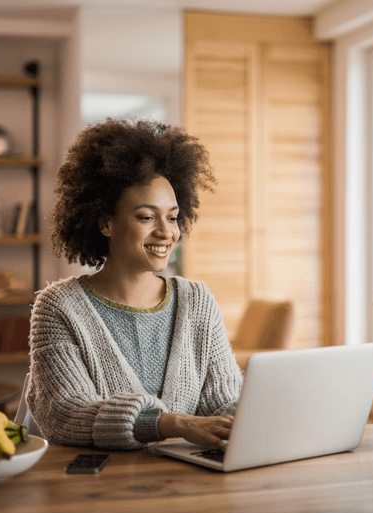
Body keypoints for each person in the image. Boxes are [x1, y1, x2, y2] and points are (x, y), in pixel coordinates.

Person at [26, 118, 243, 451]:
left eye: (172, 217)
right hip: (100, 489)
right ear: (105, 222)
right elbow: (66, 413)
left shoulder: (197, 301)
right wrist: (173, 424)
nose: (166, 232)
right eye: (146, 216)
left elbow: (223, 402)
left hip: (189, 486)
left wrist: (253, 417)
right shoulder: (58, 307)